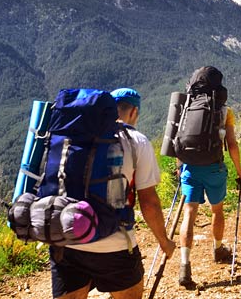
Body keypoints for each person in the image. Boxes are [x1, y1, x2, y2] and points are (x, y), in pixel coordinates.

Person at [49, 87, 176, 299]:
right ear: (134, 112)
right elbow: (149, 203)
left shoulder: (73, 135)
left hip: (64, 237)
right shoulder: (137, 141)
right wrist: (164, 241)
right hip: (114, 244)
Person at [176, 67, 241, 288]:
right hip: (214, 167)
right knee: (217, 209)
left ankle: (185, 265)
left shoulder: (185, 107)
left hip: (189, 167)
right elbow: (232, 144)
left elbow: (177, 139)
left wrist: (180, 167)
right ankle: (217, 249)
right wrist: (239, 171)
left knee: (189, 213)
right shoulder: (225, 111)